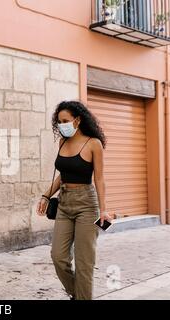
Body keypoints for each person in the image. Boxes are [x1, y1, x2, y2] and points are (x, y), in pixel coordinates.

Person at [37, 100, 113, 300]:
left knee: (84, 262)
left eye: (65, 121)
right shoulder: (63, 142)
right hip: (64, 202)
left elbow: (99, 178)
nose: (62, 125)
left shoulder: (93, 144)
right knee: (58, 257)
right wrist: (46, 195)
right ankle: (78, 294)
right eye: (59, 121)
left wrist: (103, 210)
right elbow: (63, 173)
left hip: (87, 205)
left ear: (77, 120)